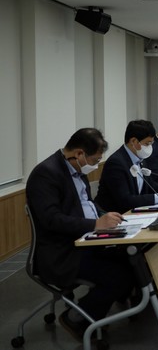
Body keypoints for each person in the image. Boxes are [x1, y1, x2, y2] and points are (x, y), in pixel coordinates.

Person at [25, 128, 135, 341]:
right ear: (79, 154)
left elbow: (88, 204)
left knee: (130, 258)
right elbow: (51, 219)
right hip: (61, 252)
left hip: (85, 240)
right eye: (95, 160)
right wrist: (95, 224)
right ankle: (77, 319)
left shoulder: (75, 169)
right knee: (117, 275)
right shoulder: (46, 174)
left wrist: (107, 217)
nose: (96, 165)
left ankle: (111, 306)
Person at [95, 120, 158, 214]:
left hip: (136, 211)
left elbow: (150, 185)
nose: (150, 147)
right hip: (116, 215)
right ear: (133, 141)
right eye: (147, 144)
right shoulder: (116, 163)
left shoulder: (140, 158)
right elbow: (125, 200)